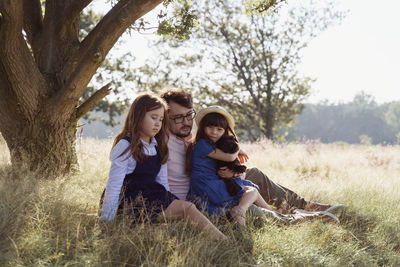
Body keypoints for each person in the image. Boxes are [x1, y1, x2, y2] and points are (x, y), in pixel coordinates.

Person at [159, 87, 343, 221]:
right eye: (177, 117)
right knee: (246, 209)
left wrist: (234, 172)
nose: (185, 122)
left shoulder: (195, 137)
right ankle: (301, 220)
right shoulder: (161, 143)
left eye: (188, 115)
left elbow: (213, 164)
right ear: (165, 117)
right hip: (199, 199)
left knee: (254, 173)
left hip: (216, 183)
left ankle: (304, 205)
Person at [99, 93, 227, 240]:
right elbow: (114, 186)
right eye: (153, 118)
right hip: (130, 199)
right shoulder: (126, 145)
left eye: (161, 119)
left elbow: (162, 182)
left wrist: (169, 201)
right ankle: (223, 241)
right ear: (138, 116)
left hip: (152, 196)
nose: (158, 123)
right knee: (188, 209)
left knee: (185, 212)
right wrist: (107, 221)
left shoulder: (158, 146)